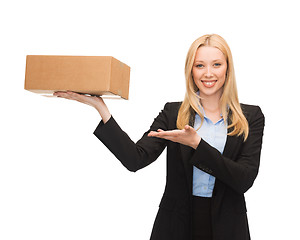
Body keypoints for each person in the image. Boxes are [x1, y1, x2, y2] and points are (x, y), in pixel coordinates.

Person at [54, 34, 265, 240]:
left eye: (216, 64)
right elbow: (135, 159)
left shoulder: (250, 117)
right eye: (199, 65)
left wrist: (197, 144)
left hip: (228, 228)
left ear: (228, 69)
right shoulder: (173, 113)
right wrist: (100, 108)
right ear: (190, 71)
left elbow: (244, 179)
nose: (208, 73)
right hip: (176, 226)